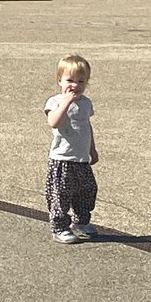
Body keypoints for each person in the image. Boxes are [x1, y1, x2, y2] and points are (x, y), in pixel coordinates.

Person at [44, 53, 99, 244]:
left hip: (81, 159)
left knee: (87, 191)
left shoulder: (85, 103)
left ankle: (81, 222)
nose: (75, 85)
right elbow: (54, 122)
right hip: (62, 160)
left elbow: (86, 127)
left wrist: (92, 149)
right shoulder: (55, 102)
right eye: (70, 80)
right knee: (61, 194)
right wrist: (66, 103)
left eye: (81, 81)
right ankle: (60, 227)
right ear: (60, 81)